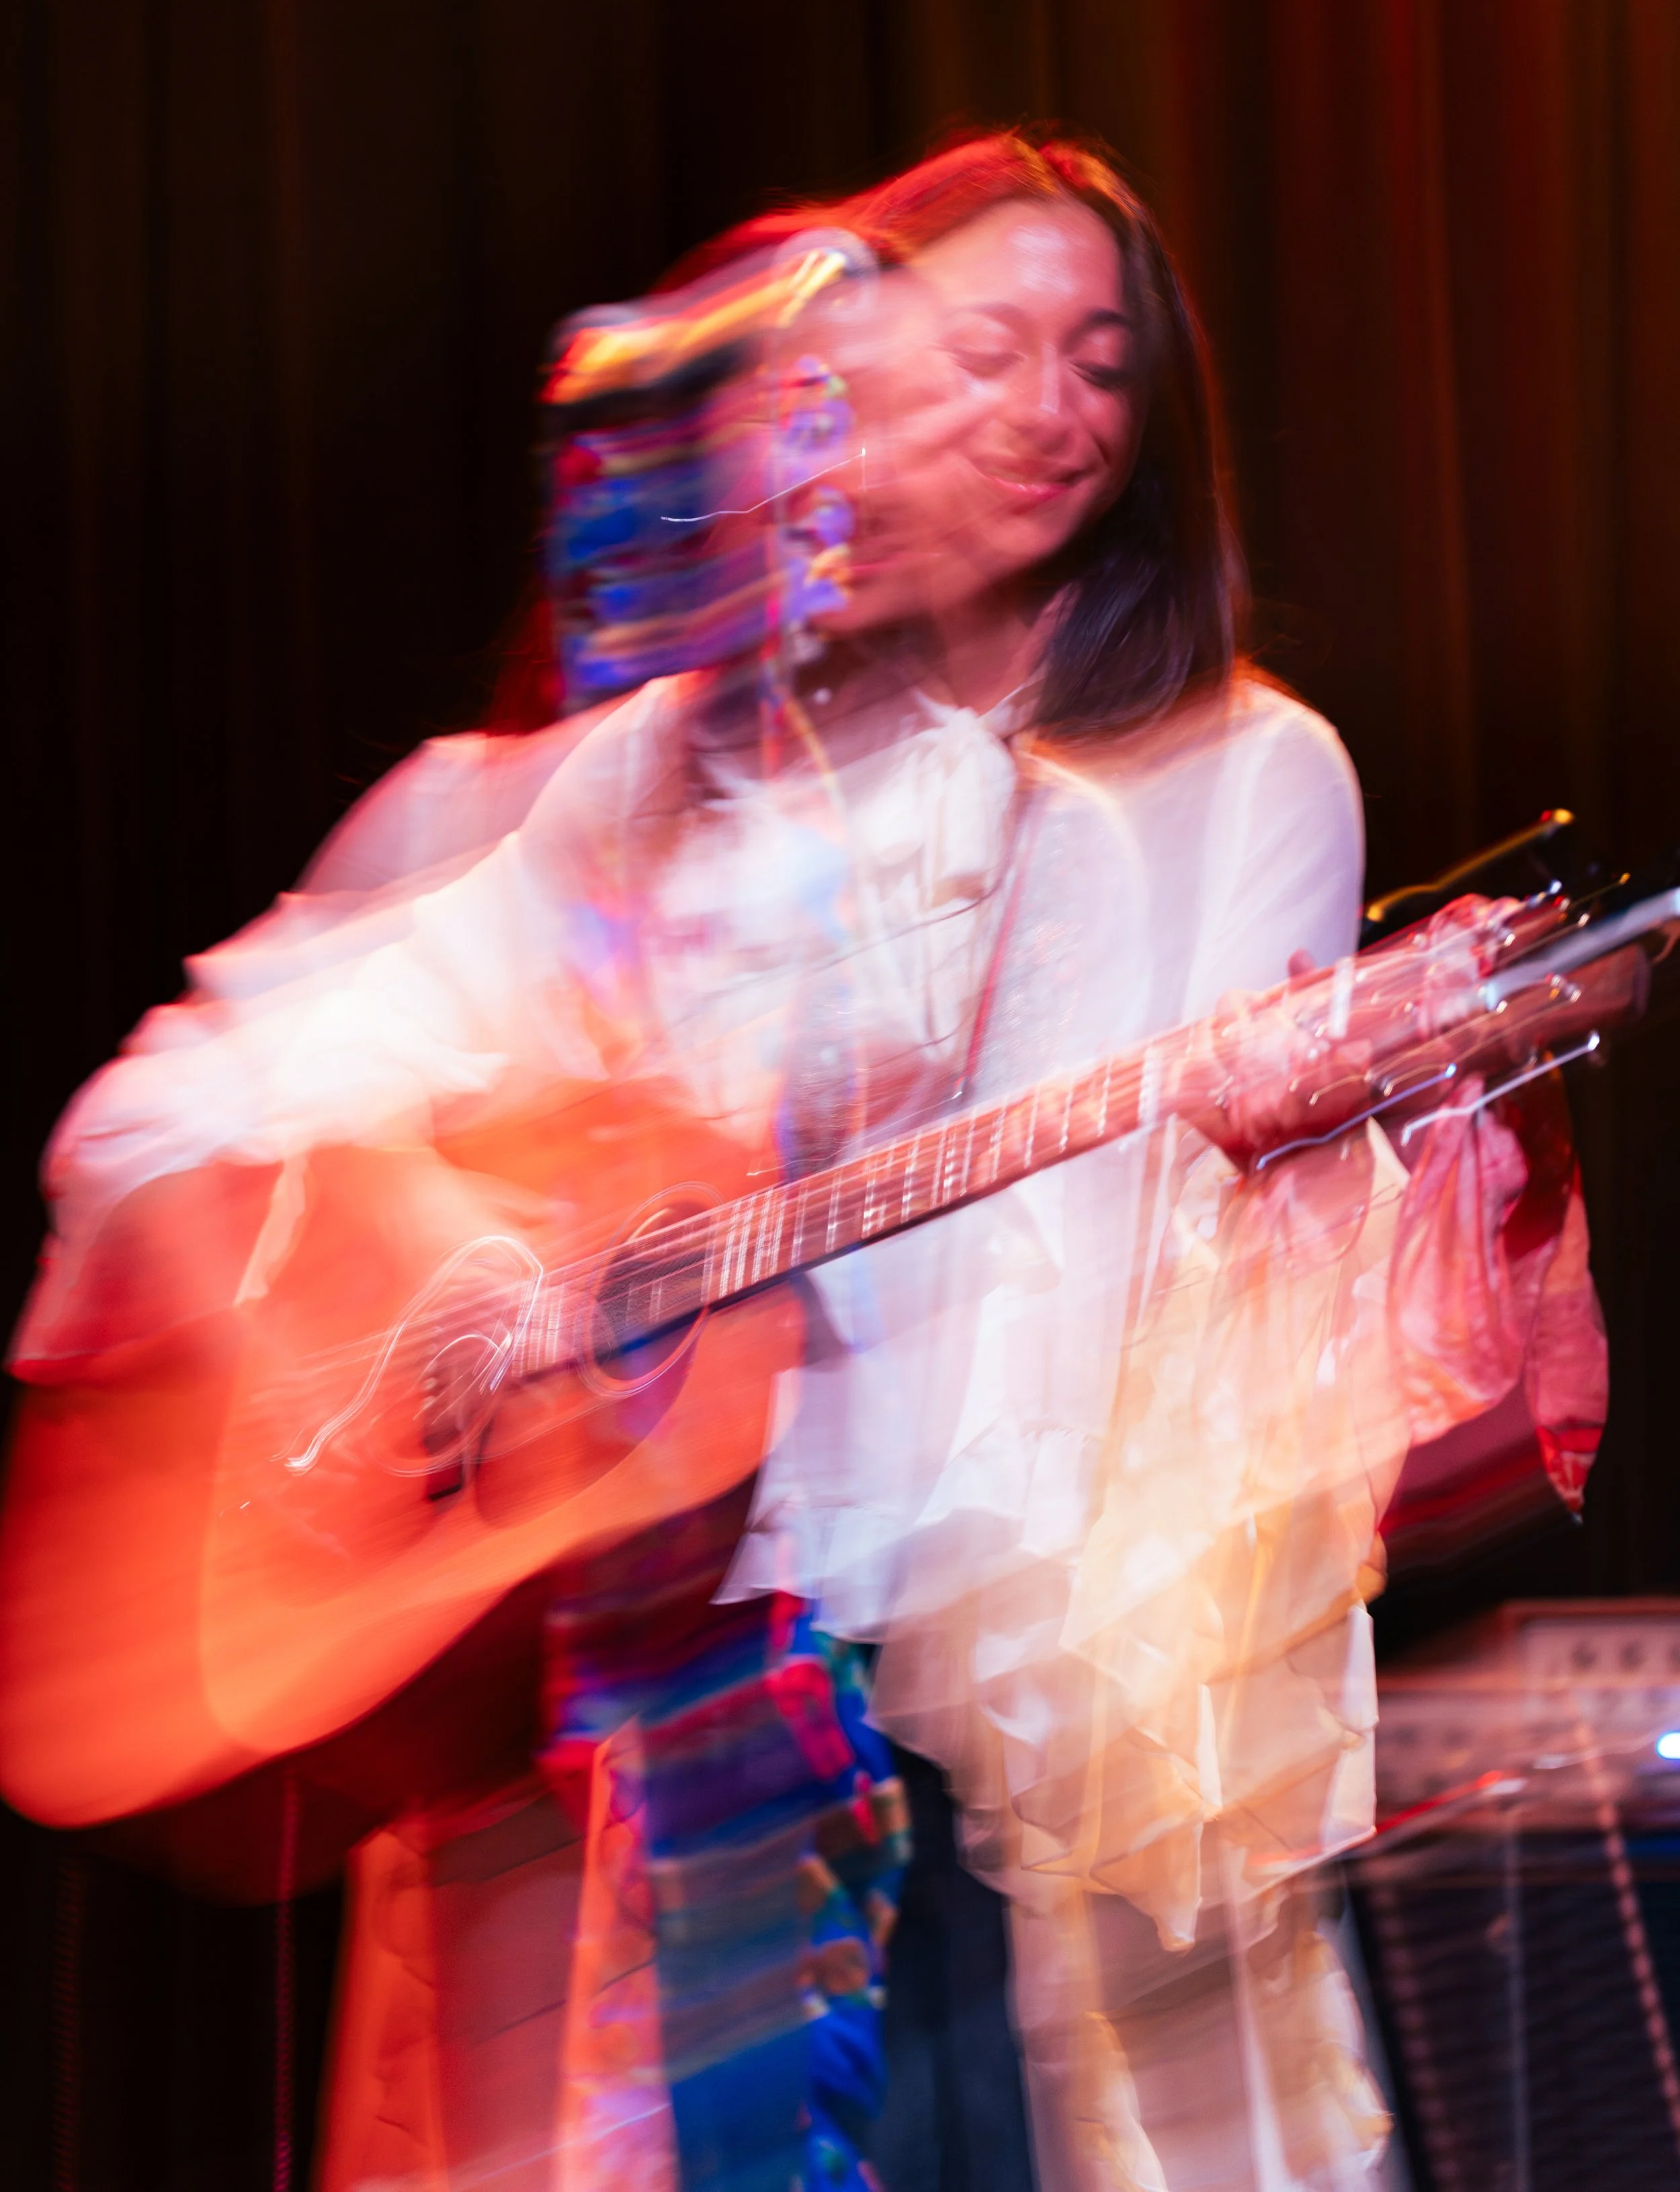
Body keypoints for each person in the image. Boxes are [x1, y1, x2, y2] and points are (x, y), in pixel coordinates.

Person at [4, 130, 1604, 2191]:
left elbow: (1142, 1364)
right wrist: (408, 1284)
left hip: (1013, 1721)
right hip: (698, 1716)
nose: (1039, 412)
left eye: (1100, 363)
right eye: (977, 354)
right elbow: (233, 1083)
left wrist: (1298, 1166)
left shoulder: (1213, 779)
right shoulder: (655, 778)